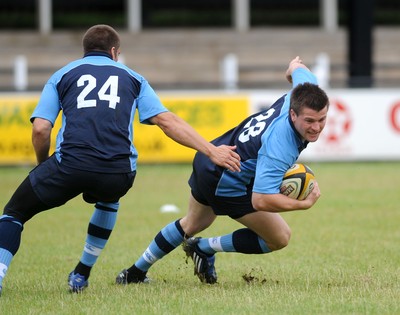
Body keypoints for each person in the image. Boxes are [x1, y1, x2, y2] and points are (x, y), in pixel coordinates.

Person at [0, 24, 241, 296]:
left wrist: (43, 165)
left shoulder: (62, 75)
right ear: (115, 52)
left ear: (85, 51)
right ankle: (81, 273)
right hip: (118, 172)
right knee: (109, 198)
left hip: (69, 165)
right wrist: (211, 150)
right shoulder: (134, 78)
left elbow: (41, 129)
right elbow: (166, 121)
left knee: (14, 214)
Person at [115, 56, 329, 285]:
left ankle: (134, 273)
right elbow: (261, 200)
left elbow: (296, 68)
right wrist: (303, 204)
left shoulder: (304, 90)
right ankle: (205, 248)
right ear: (293, 114)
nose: (316, 127)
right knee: (279, 237)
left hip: (210, 158)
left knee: (192, 223)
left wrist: (292, 70)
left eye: (322, 119)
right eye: (309, 121)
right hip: (226, 178)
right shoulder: (280, 146)